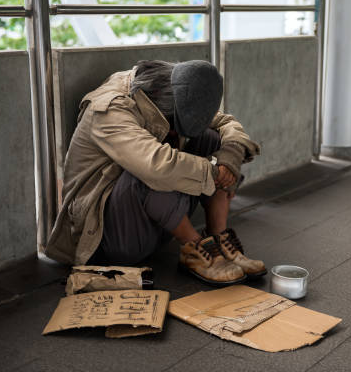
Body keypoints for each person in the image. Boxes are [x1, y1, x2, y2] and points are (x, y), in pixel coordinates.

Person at [45, 59, 266, 285]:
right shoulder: (110, 109)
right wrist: (214, 173)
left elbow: (225, 122)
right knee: (150, 171)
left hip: (153, 220)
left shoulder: (172, 87)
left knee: (212, 139)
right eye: (171, 123)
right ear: (161, 106)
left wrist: (229, 157)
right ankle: (196, 250)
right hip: (108, 238)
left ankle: (218, 240)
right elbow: (155, 166)